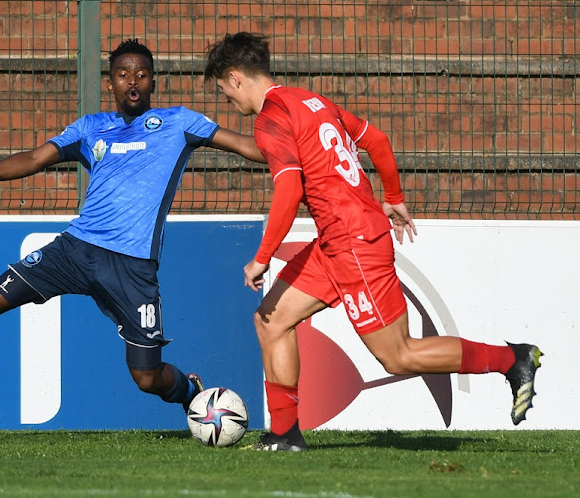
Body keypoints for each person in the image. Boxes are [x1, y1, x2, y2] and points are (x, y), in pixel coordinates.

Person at [204, 32, 543, 451]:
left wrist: (262, 257)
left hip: (353, 244)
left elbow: (289, 189)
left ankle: (513, 360)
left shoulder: (270, 118)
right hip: (336, 242)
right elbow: (377, 140)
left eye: (224, 91)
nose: (229, 102)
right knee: (271, 320)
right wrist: (394, 198)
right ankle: (285, 435)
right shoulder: (311, 101)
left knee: (397, 355)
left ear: (235, 78)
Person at [0, 39, 266, 417]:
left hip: (132, 268)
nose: (132, 82)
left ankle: (191, 394)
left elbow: (246, 145)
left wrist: (297, 156)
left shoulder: (179, 123)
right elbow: (37, 157)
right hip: (75, 251)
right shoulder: (91, 128)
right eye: (123, 75)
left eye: (141, 74)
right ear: (110, 83)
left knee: (147, 377)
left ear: (154, 81)